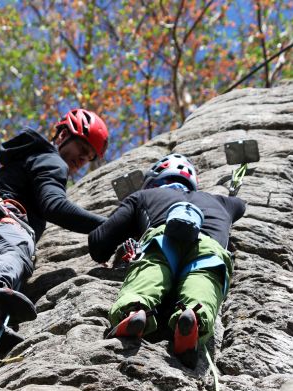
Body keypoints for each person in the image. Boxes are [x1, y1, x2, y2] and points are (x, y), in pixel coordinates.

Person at [0, 108, 109, 350]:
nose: (82, 159)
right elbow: (54, 206)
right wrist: (109, 226)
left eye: (88, 157)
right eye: (82, 148)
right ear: (63, 136)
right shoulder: (52, 160)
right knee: (18, 250)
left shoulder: (26, 158)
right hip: (3, 223)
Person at [88, 153, 245, 368]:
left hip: (162, 239)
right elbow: (240, 205)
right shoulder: (223, 202)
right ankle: (192, 319)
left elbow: (98, 242)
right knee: (204, 279)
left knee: (151, 269)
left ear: (154, 181)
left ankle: (135, 311)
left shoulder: (143, 195)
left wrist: (132, 224)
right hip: (210, 247)